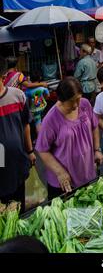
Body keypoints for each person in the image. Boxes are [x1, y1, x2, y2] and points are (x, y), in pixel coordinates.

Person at [35, 77, 102, 200]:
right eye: (72, 101)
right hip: (65, 182)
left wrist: (97, 149)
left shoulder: (85, 104)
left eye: (78, 98)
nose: (76, 105)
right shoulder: (51, 120)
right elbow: (42, 150)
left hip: (87, 171)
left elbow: (94, 126)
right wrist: (60, 172)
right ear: (61, 99)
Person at [0, 57, 35, 213]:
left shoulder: (18, 96)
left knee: (19, 206)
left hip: (18, 160)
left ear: (2, 77)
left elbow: (25, 124)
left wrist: (30, 151)